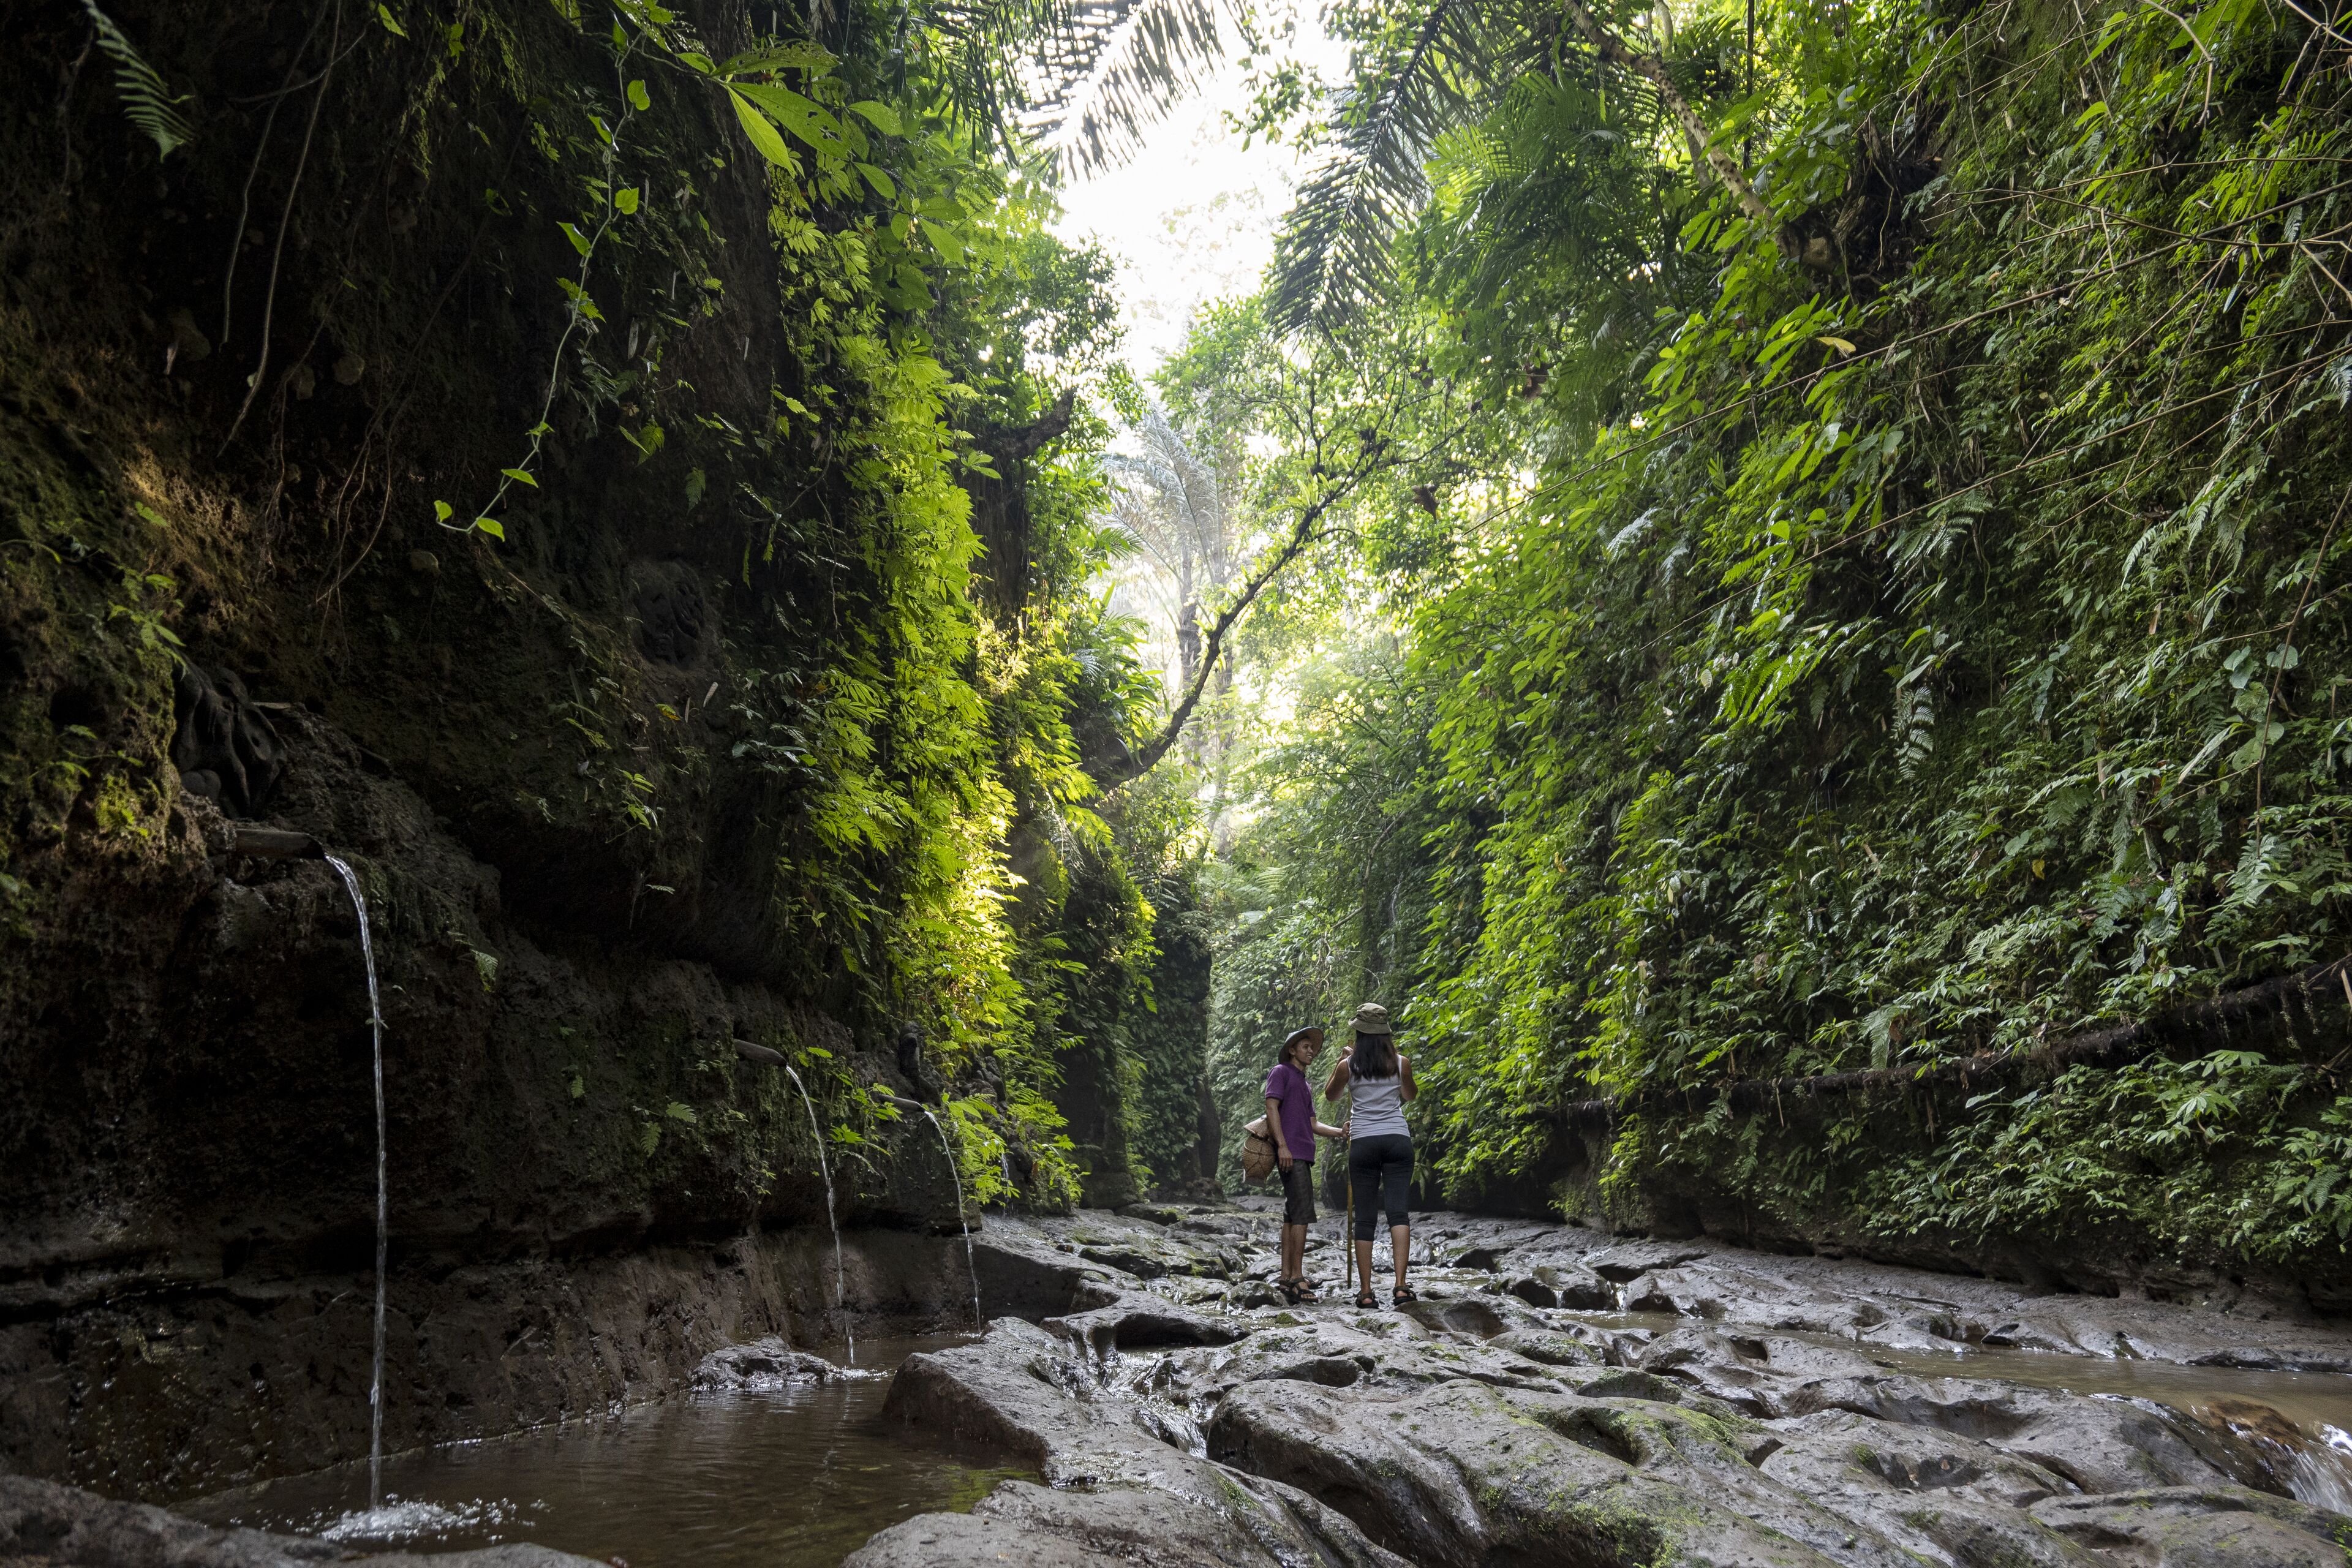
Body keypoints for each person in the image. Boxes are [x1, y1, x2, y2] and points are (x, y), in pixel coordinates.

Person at [1325, 1001, 1417, 1308]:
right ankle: (1401, 1287)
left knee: (1365, 1218)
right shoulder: (1401, 1063)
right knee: (1398, 1213)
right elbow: (1409, 1095)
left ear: (1360, 1034)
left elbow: (1331, 1095)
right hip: (1397, 1140)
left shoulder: (1348, 1066)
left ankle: (1366, 1293)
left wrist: (1342, 1062)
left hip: (1364, 1142)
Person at [1264, 1025, 1346, 1304]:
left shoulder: (1305, 1084)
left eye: (1312, 1047)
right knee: (1301, 1215)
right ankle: (1298, 1278)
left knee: (1292, 1214)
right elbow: (1271, 1107)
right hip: (1291, 1153)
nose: (1311, 1051)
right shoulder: (1281, 1072)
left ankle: (1287, 1276)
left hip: (1302, 1153)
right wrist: (1282, 1145)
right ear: (1292, 1050)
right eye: (1306, 1047)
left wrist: (1340, 1132)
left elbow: (1313, 1124)